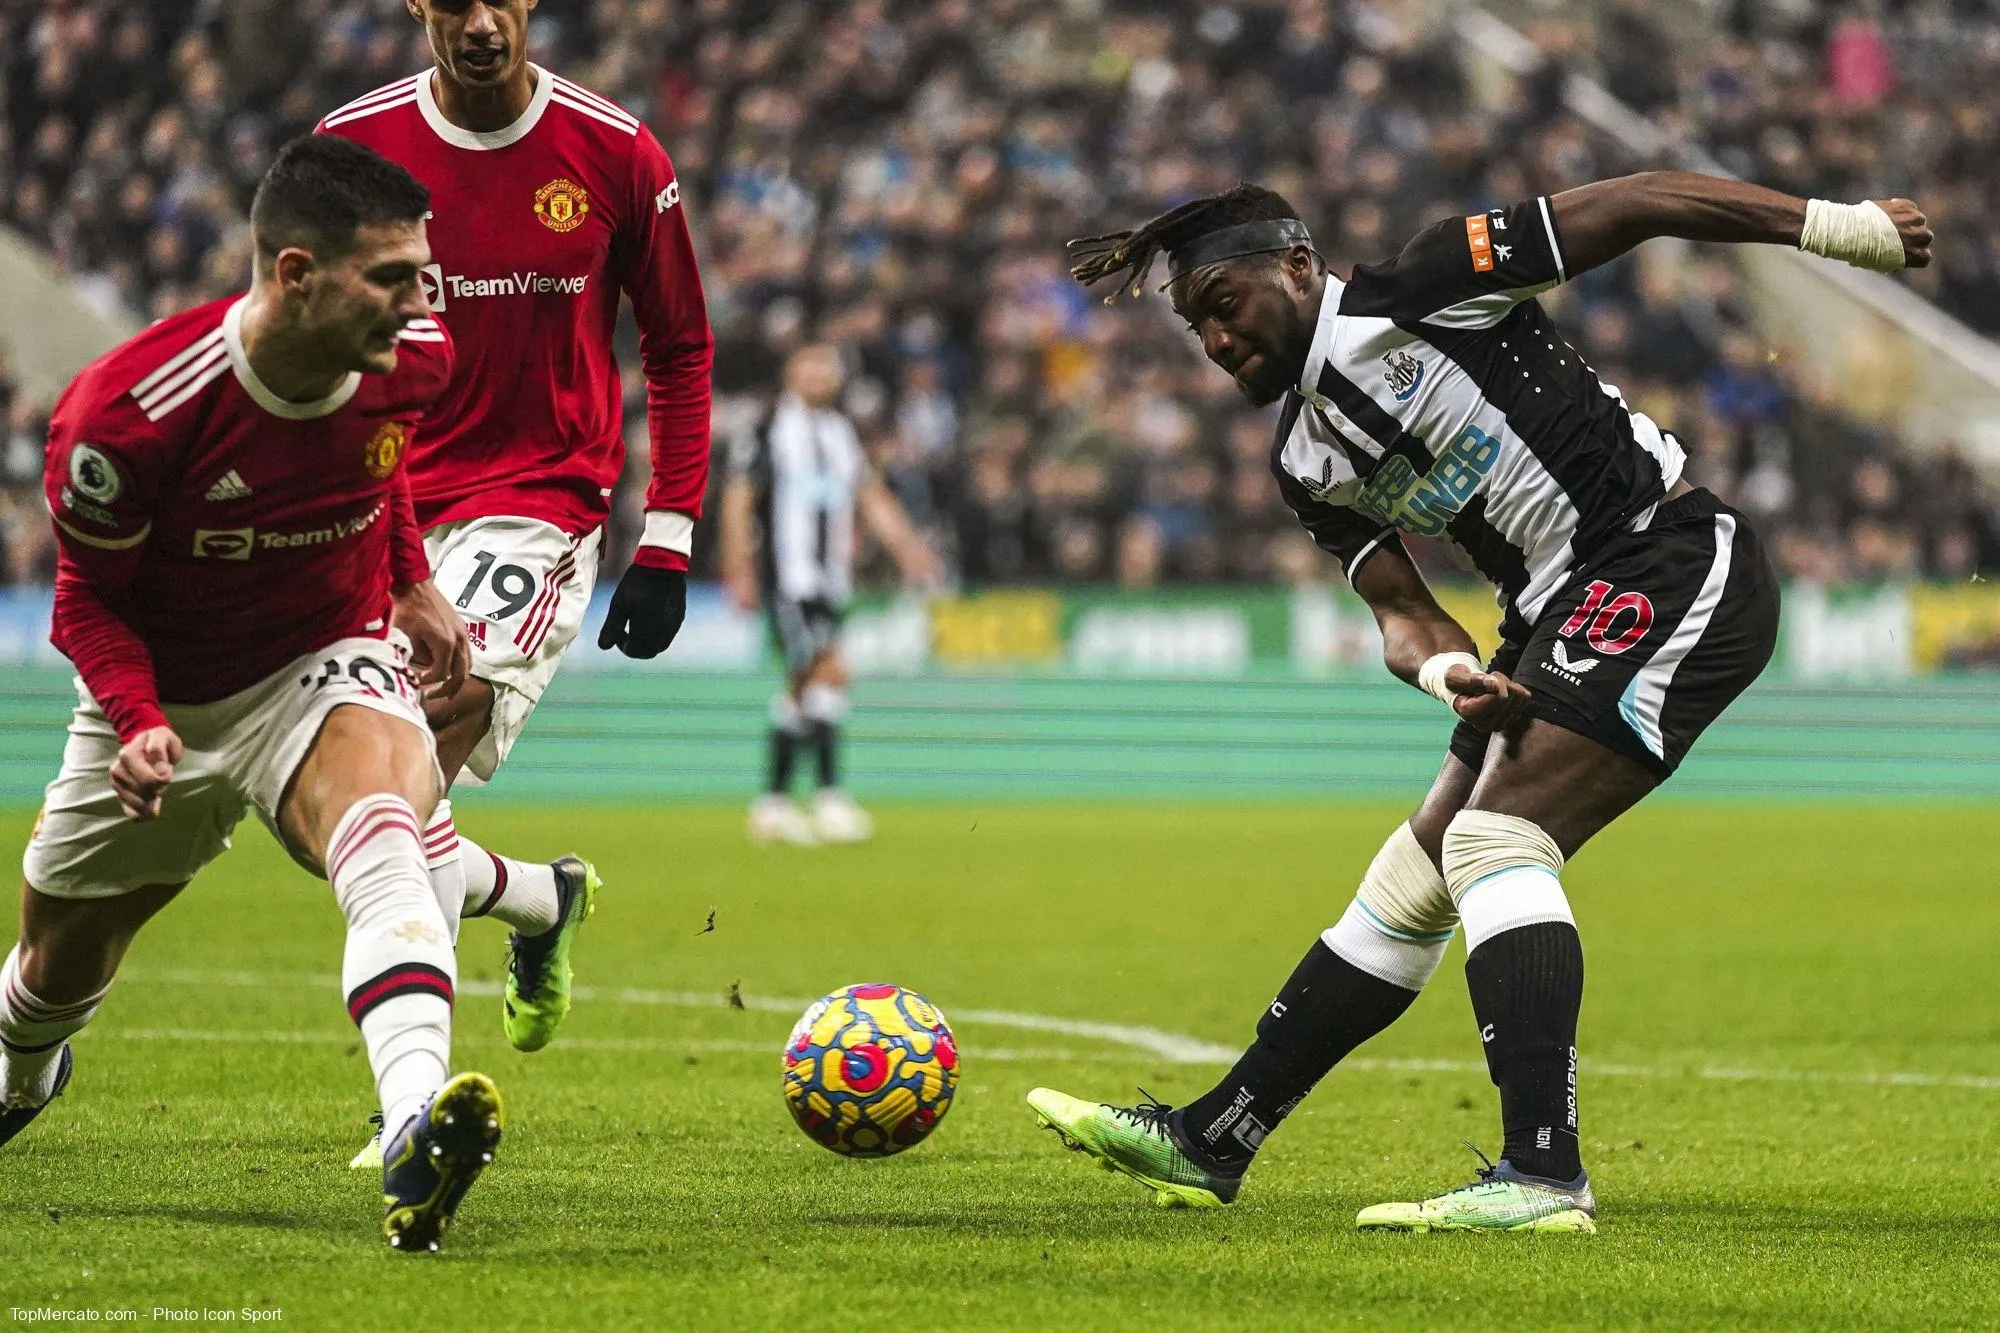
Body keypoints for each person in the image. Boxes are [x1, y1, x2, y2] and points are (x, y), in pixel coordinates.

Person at [1028, 173, 1930, 1232]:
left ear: (1299, 266)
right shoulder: (1304, 460)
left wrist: (1834, 228)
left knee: (1494, 837)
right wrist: (1445, 674)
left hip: (1665, 557)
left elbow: (1641, 201)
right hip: (1548, 618)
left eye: (1224, 304)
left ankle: (1543, 1171)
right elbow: (1402, 614)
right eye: (1197, 327)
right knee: (1412, 877)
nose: (1217, 341)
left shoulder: (1427, 284)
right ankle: (1214, 1136)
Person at [0, 136, 497, 1252]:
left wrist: (410, 577)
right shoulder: (125, 416)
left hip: (323, 659)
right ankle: (22, 1076)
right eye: (392, 277)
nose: (421, 302)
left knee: (383, 831)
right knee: (56, 968)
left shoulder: (414, 351)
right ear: (296, 274)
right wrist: (137, 722)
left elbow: (380, 457)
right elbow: (86, 603)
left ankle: (414, 1123)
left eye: (424, 274)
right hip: (167, 700)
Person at [316, 0, 714, 1073]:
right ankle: (541, 897)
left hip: (537, 502)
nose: (482, 22)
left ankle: (413, 1096)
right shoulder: (351, 150)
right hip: (382, 504)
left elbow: (678, 345)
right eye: (455, 1)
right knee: (349, 804)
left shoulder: (615, 151)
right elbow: (305, 337)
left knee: (415, 740)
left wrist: (667, 537)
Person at [718, 344, 939, 845]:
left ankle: (773, 805)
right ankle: (829, 798)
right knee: (829, 673)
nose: (820, 373)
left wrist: (910, 549)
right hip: (788, 578)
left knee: (804, 690)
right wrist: (738, 567)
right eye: (810, 364)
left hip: (830, 579)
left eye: (827, 366)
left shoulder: (840, 433)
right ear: (790, 372)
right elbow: (738, 498)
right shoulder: (769, 428)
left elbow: (870, 496)